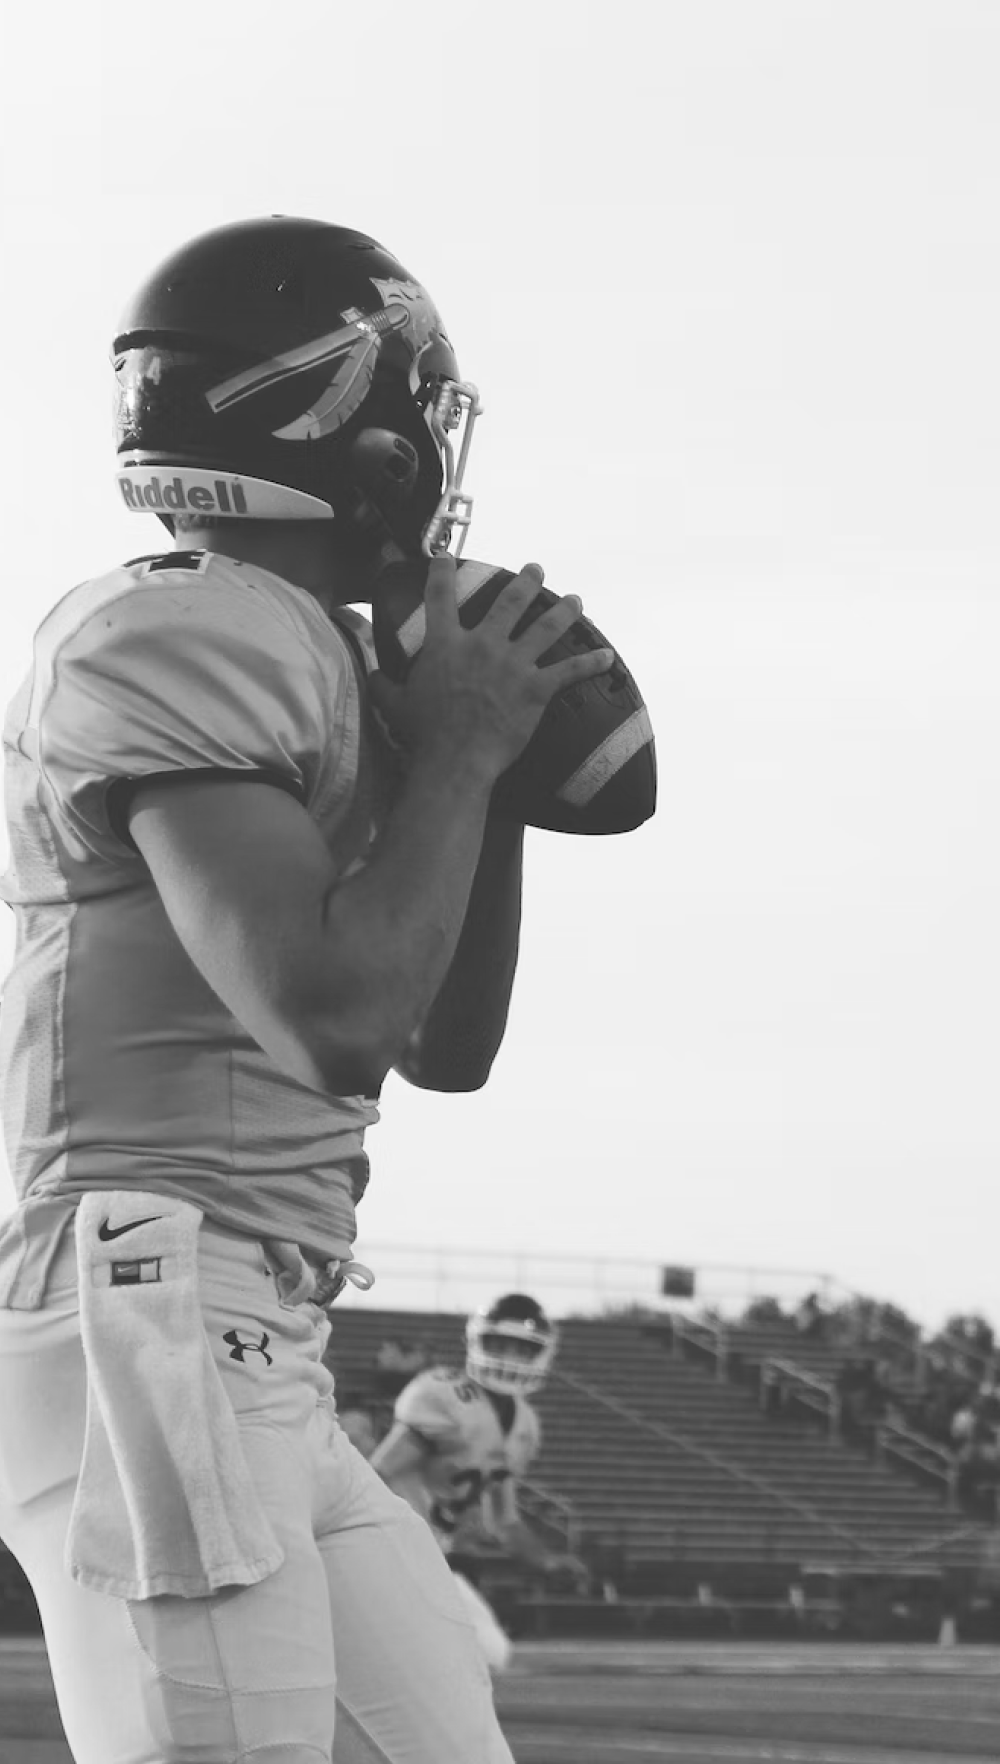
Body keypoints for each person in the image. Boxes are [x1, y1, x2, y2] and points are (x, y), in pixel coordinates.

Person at [0, 215, 617, 1764]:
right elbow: (333, 1020)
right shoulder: (182, 628)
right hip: (148, 1296)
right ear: (353, 425)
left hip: (255, 1325)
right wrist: (465, 748)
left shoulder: (322, 662)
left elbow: (444, 1044)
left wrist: (489, 780)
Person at [369, 1292, 590, 1671]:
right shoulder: (443, 1394)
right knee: (474, 1657)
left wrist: (546, 1562)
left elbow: (503, 1520)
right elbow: (376, 1474)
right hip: (394, 1549)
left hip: (435, 1557)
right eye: (498, 1344)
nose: (508, 1357)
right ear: (476, 1343)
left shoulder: (524, 1425)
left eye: (521, 1348)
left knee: (490, 1655)